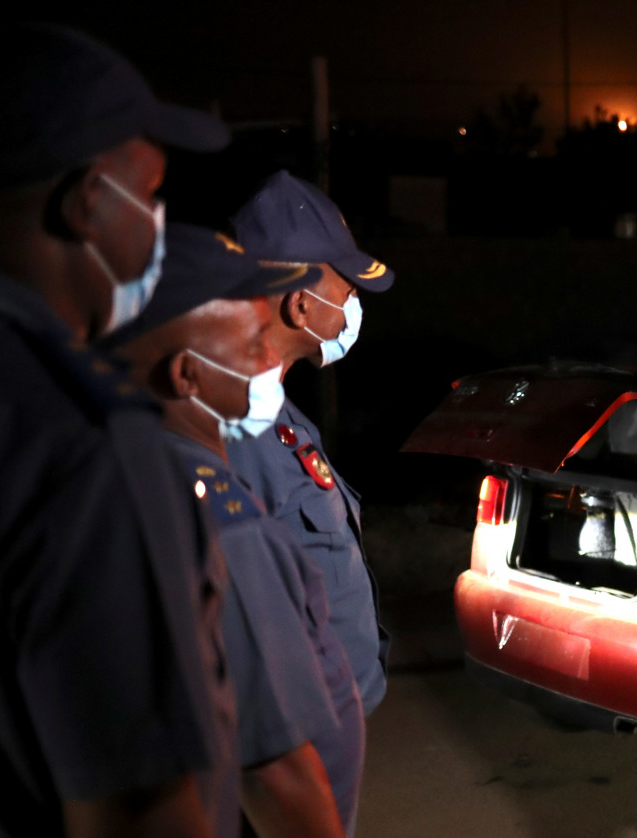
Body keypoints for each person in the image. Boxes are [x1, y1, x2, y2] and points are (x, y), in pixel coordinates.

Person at [0, 23, 239, 838]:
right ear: (87, 201)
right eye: (154, 189)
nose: (159, 222)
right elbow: (139, 806)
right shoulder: (82, 443)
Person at [107, 224, 368, 837]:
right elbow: (277, 771)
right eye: (251, 346)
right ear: (185, 376)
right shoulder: (221, 525)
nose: (265, 363)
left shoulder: (120, 473)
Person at [225, 170, 395, 716]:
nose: (352, 308)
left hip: (333, 717)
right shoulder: (230, 431)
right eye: (346, 292)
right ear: (300, 307)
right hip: (297, 732)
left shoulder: (277, 413)